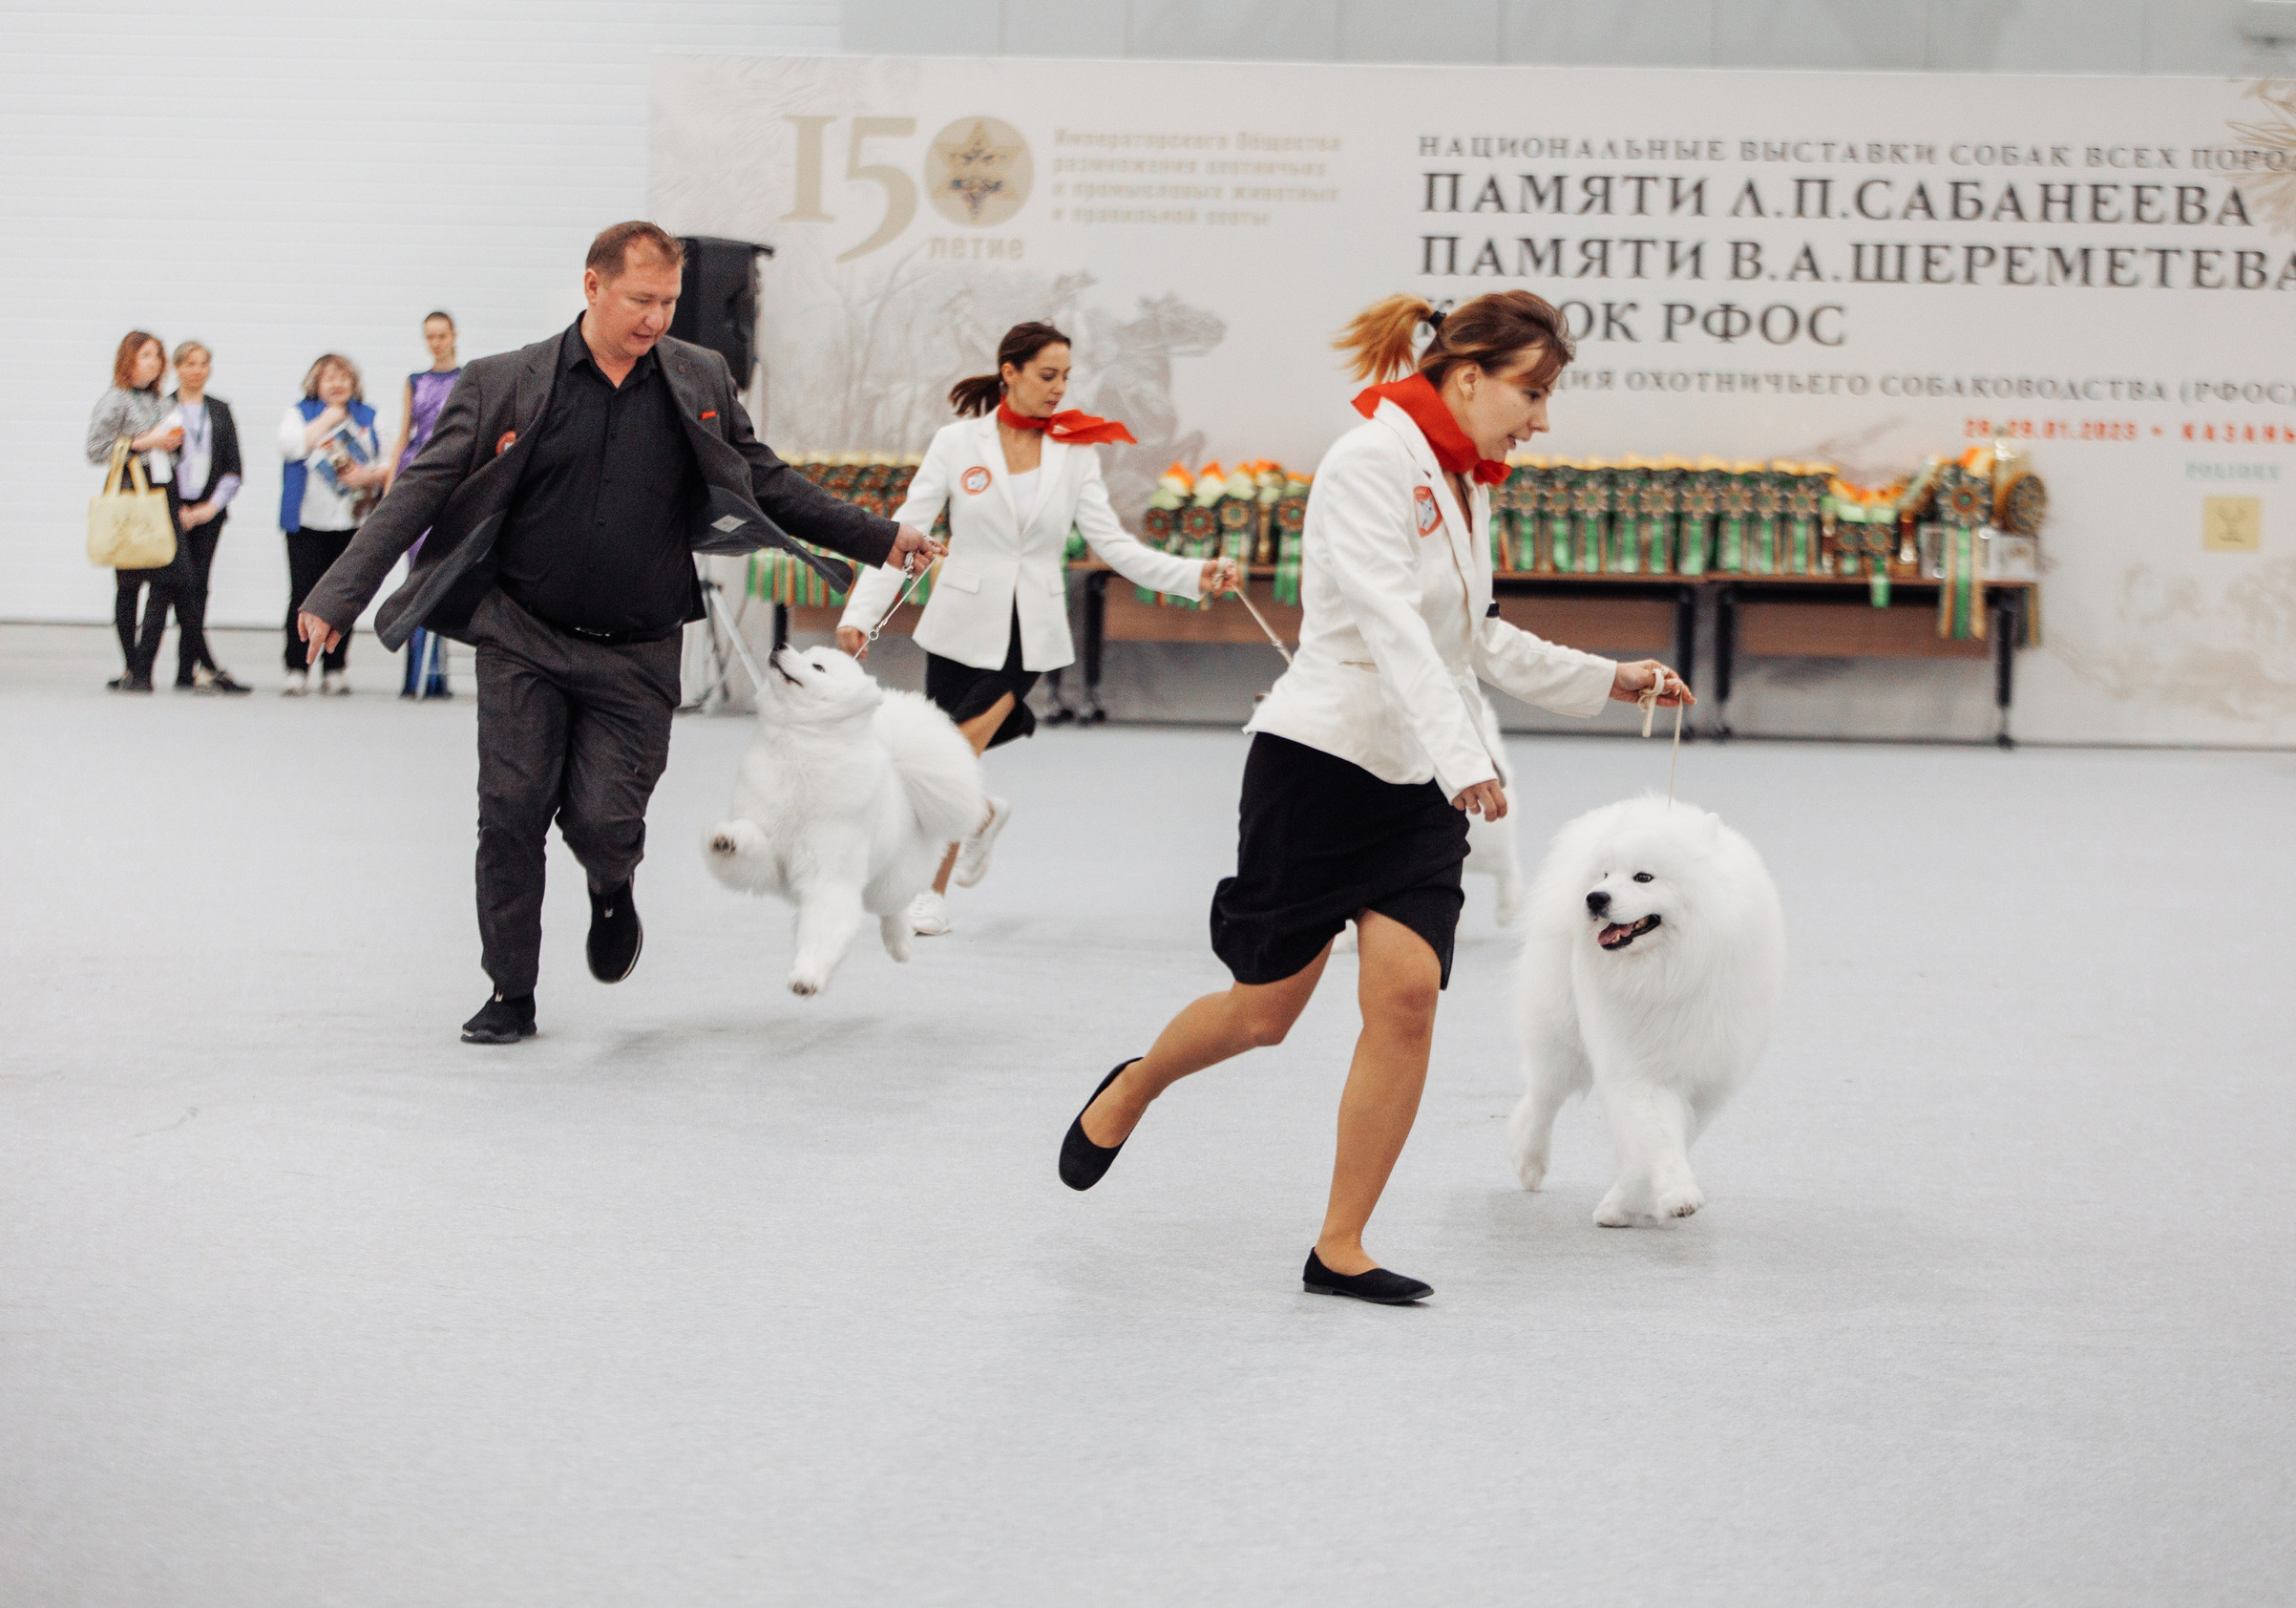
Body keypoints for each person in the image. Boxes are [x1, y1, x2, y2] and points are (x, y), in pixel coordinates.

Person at [1057, 290, 1696, 1305]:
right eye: (1532, 393)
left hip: (1417, 779)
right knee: (1264, 1013)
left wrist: (1607, 677)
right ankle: (1133, 1084)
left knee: (1403, 998)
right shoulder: (1366, 462)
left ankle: (1340, 1244)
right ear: (1467, 374)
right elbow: (1394, 626)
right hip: (1319, 763)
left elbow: (1473, 636)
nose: (1541, 419)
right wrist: (1465, 755)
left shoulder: (1467, 480)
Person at [295, 222, 940, 1046]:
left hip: (637, 649)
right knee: (511, 809)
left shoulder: (697, 377)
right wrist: (337, 594)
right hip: (522, 634)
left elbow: (766, 480)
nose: (656, 318)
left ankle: (611, 885)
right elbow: (417, 493)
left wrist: (881, 537)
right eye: (641, 299)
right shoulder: (505, 382)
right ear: (593, 286)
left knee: (604, 820)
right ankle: (510, 992)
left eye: (668, 302)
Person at [835, 321, 1239, 937]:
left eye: (1065, 378)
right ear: (1010, 373)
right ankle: (980, 818)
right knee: (936, 753)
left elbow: (1113, 546)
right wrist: (859, 617)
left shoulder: (1077, 451)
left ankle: (930, 894)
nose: (1059, 389)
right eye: (1047, 376)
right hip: (959, 625)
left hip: (1031, 631)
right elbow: (906, 534)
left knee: (956, 751)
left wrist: (1193, 573)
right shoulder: (955, 442)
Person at [84, 331, 190, 693]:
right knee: (129, 583)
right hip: (132, 492)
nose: (155, 362)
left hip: (163, 490)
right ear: (128, 359)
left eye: (158, 356)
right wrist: (146, 442)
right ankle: (133, 667)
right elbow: (96, 449)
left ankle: (143, 666)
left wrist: (173, 444)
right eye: (147, 355)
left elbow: (170, 448)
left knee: (169, 578)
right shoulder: (115, 399)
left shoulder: (160, 401)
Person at [277, 355, 386, 695]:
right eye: (329, 378)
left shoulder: (369, 417)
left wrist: (365, 476)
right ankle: (297, 667)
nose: (337, 384)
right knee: (303, 594)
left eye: (344, 377)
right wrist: (327, 419)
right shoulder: (300, 413)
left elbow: (390, 461)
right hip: (308, 522)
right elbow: (291, 447)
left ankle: (334, 668)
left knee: (344, 598)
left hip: (354, 522)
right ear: (316, 382)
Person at [385, 310, 463, 698]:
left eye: (441, 335)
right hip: (417, 470)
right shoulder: (415, 381)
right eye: (429, 336)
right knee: (416, 574)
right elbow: (404, 433)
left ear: (453, 336)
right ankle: (414, 673)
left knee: (441, 575)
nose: (435, 343)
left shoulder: (467, 378)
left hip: (450, 476)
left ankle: (436, 674)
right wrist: (389, 489)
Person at [164, 341, 249, 693]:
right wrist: (177, 509)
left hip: (208, 511)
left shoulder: (220, 410)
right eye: (189, 363)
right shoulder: (164, 407)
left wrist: (209, 508)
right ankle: (208, 664)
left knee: (200, 585)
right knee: (180, 585)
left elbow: (233, 467)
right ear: (177, 367)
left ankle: (188, 669)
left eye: (203, 364)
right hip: (172, 510)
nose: (196, 370)